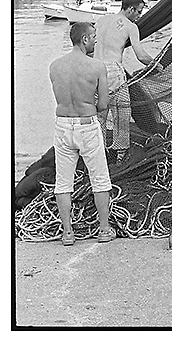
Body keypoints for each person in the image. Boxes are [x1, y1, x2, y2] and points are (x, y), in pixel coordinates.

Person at [49, 21, 114, 245]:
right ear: (84, 39)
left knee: (63, 182)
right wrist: (91, 105)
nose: (96, 40)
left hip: (63, 125)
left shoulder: (55, 66)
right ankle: (104, 230)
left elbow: (61, 96)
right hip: (87, 125)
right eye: (94, 36)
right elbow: (104, 104)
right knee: (100, 179)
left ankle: (67, 233)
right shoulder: (97, 67)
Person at [94, 0, 163, 161]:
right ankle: (120, 153)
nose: (139, 16)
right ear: (131, 9)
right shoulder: (130, 26)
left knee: (99, 114)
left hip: (94, 69)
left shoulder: (101, 20)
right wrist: (156, 65)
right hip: (113, 71)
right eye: (138, 12)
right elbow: (140, 55)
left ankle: (99, 150)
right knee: (122, 112)